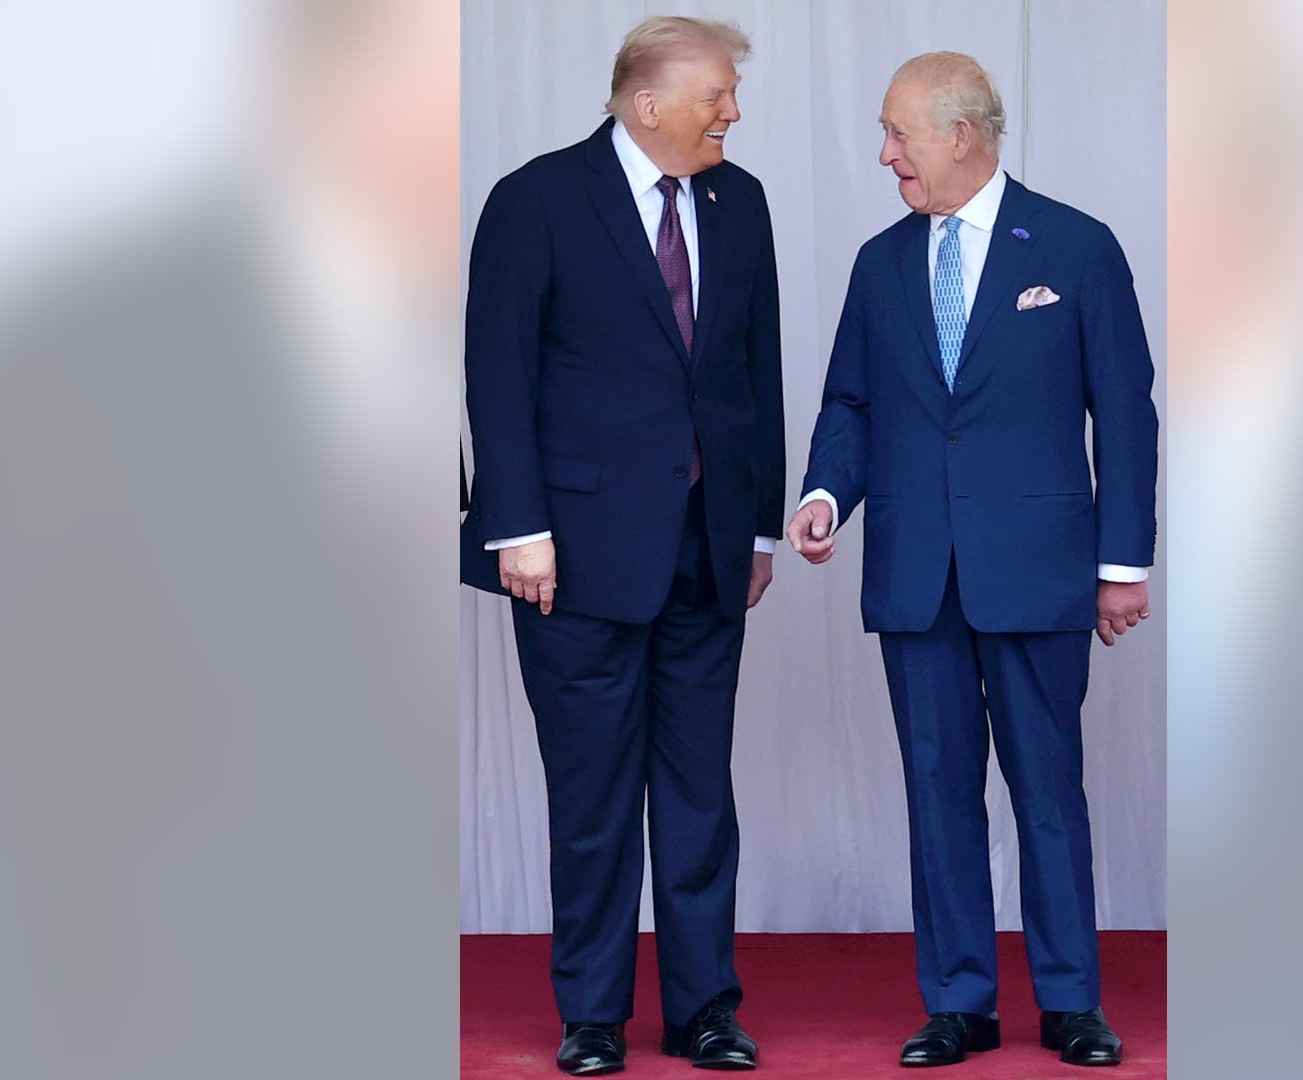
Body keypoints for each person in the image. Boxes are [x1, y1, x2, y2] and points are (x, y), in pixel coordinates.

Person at [787, 51, 1157, 1069]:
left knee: (1048, 790)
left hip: (1039, 569)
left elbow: (1124, 415)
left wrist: (1124, 563)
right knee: (937, 792)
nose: (884, 154)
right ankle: (958, 1001)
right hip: (916, 572)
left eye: (898, 134)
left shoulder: (1078, 248)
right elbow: (851, 403)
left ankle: (1072, 1002)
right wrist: (825, 495)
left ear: (963, 133)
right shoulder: (880, 262)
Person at [460, 15, 783, 1075]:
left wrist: (761, 525)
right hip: (573, 556)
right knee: (593, 798)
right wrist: (517, 529)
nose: (733, 113)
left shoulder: (742, 203)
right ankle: (592, 1015)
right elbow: (496, 374)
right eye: (718, 97)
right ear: (649, 105)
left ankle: (704, 1013)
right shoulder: (536, 200)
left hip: (706, 551)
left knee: (699, 797)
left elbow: (754, 374)